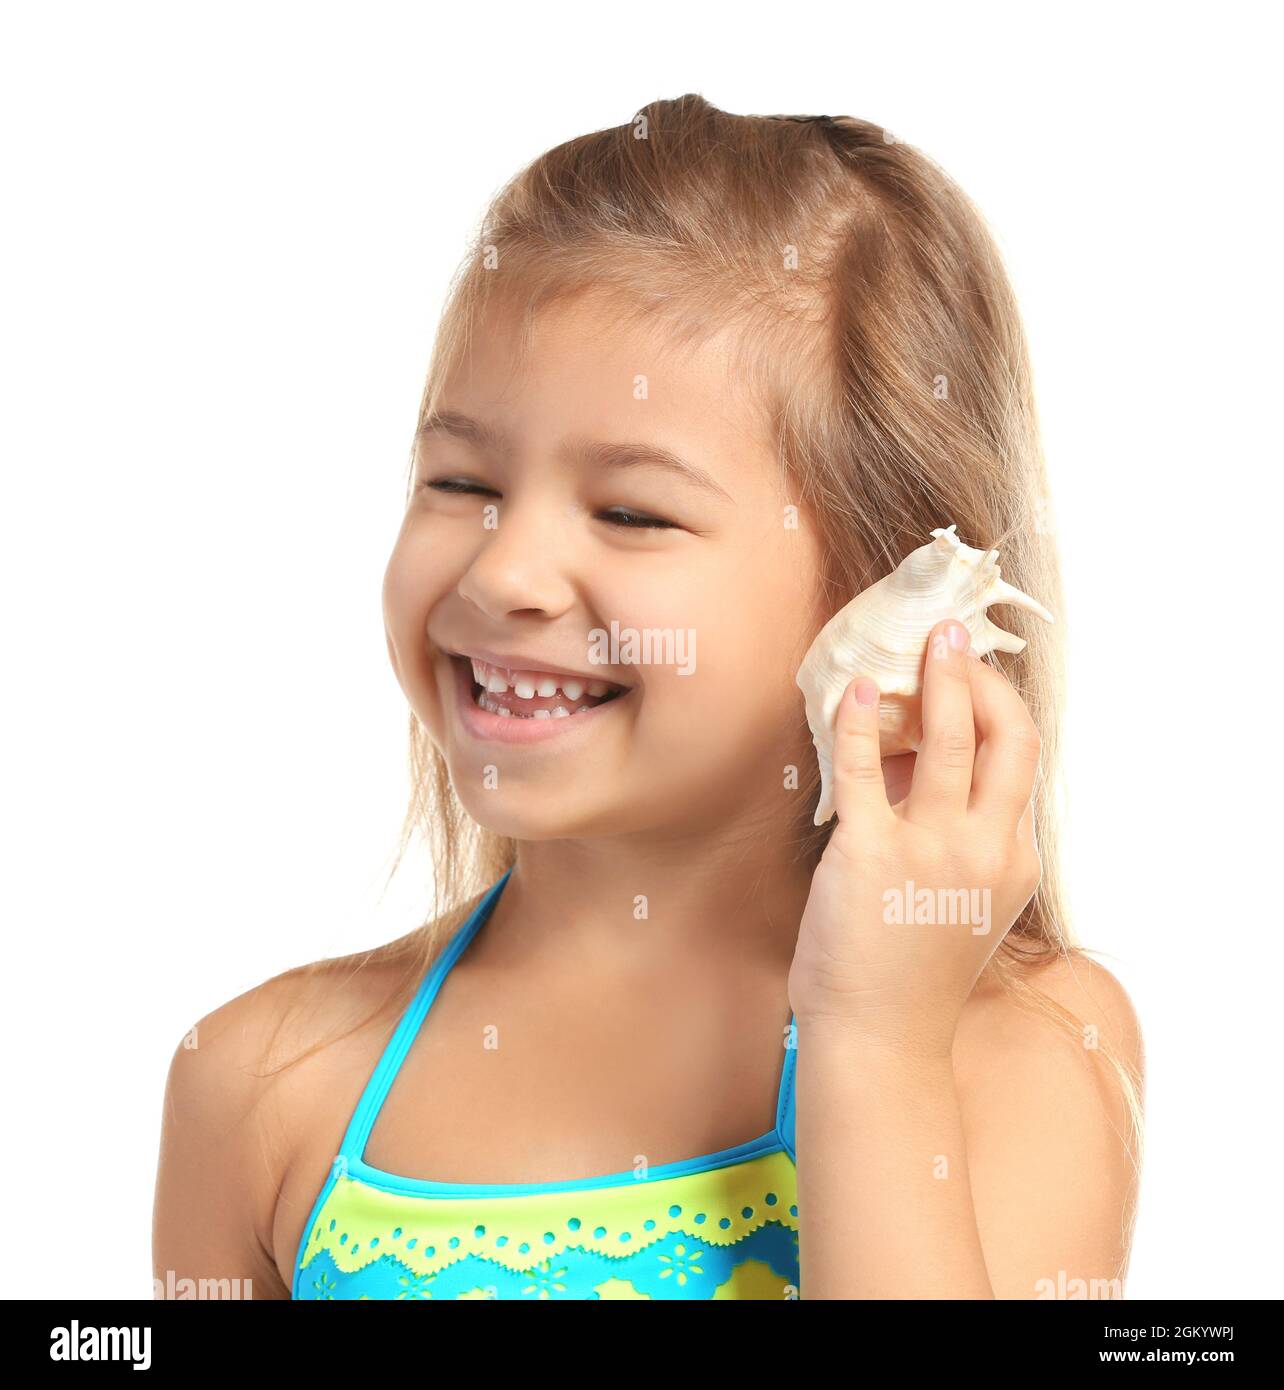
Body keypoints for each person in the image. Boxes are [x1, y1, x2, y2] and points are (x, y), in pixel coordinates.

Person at [153, 94, 1143, 1300]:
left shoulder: (1023, 1051)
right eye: (460, 481)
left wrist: (873, 1046)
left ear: (891, 593)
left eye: (631, 511)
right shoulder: (259, 1084)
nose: (500, 570)